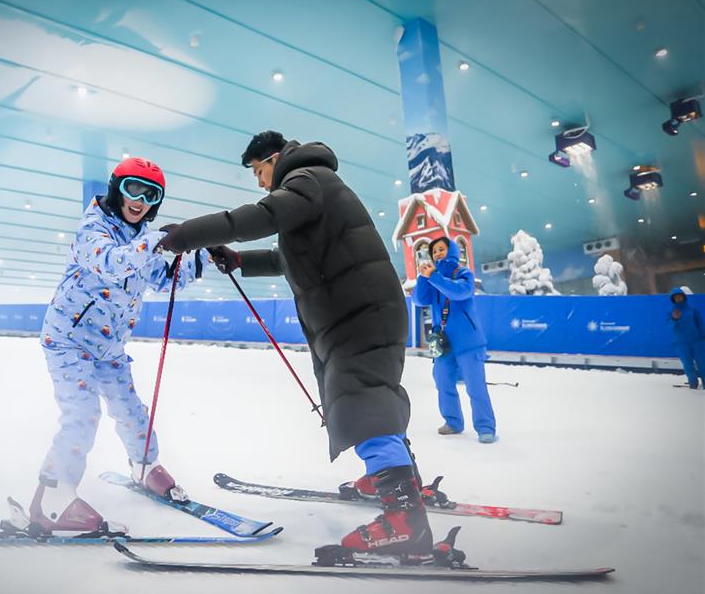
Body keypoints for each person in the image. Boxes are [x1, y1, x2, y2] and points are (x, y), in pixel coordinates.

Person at [156, 130, 432, 556]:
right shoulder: (315, 189)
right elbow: (295, 256)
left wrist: (187, 236)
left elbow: (257, 218)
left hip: (358, 313)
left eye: (258, 170)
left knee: (359, 395)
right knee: (366, 394)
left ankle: (404, 518)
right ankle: (392, 476)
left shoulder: (306, 178)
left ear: (275, 158)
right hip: (359, 311)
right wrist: (240, 260)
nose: (260, 182)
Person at [14, 157, 209, 536]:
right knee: (82, 414)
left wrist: (200, 254)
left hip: (110, 347)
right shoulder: (94, 227)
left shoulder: (139, 238)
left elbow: (163, 278)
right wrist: (157, 240)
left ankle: (144, 465)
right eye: (133, 188)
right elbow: (111, 262)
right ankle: (52, 499)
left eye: (151, 195)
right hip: (68, 340)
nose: (140, 200)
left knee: (132, 411)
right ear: (116, 187)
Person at [413, 236, 498, 443]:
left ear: (451, 251)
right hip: (443, 343)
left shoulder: (463, 274)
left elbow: (460, 293)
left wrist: (435, 277)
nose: (437, 254)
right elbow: (419, 300)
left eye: (441, 249)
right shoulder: (434, 278)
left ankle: (485, 427)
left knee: (475, 386)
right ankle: (453, 422)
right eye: (434, 252)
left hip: (468, 341)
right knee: (443, 382)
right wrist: (424, 278)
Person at [668, 287, 705, 389]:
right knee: (688, 365)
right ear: (673, 299)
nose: (678, 299)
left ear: (683, 297)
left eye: (680, 296)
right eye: (676, 297)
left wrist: (703, 336)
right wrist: (674, 319)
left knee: (702, 363)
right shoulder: (672, 311)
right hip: (681, 343)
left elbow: (700, 323)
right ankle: (693, 384)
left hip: (697, 341)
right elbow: (668, 325)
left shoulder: (693, 309)